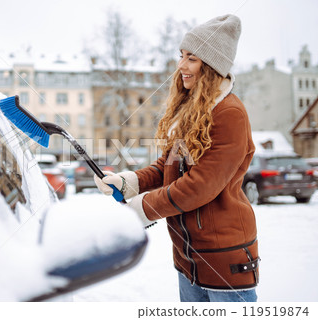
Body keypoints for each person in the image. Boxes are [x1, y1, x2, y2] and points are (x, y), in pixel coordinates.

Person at [94, 14, 259, 302]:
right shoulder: (191, 112)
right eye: (181, 56)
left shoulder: (229, 113)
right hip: (188, 259)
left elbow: (199, 186)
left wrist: (141, 207)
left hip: (224, 261)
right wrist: (129, 181)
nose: (181, 65)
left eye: (192, 58)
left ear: (211, 66)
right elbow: (169, 167)